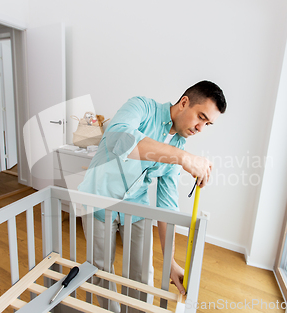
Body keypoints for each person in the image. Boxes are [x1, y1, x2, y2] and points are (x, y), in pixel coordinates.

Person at [78, 80, 227, 312]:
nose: (200, 128)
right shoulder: (142, 107)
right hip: (98, 197)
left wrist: (170, 263)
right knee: (100, 271)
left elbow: (167, 207)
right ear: (184, 102)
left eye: (207, 124)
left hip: (136, 205)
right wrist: (182, 157)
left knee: (142, 275)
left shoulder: (179, 146)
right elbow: (119, 139)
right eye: (200, 117)